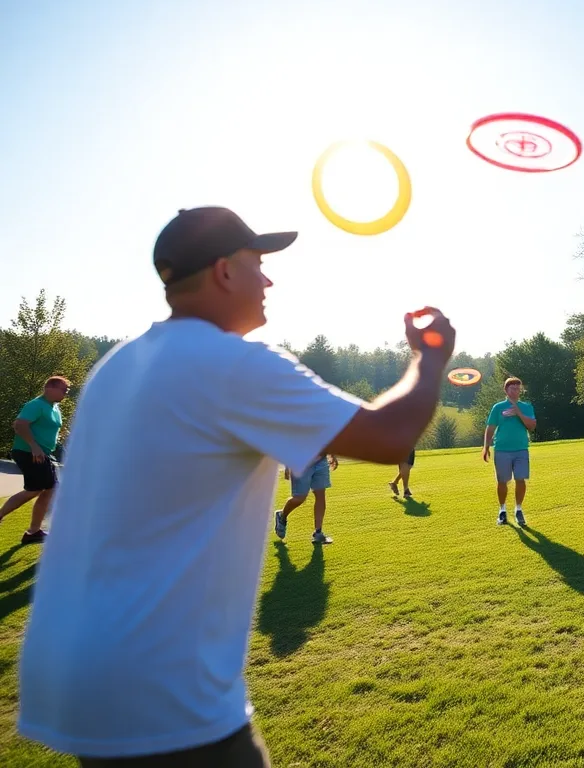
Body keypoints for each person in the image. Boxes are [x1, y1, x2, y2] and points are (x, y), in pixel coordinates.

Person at [17, 206, 455, 766]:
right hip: (158, 683)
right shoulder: (231, 363)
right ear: (224, 270)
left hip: (73, 668)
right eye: (259, 264)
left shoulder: (119, 364)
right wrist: (428, 358)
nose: (268, 281)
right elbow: (391, 436)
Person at [2, 375, 70, 544]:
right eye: (64, 390)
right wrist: (34, 446)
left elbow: (46, 428)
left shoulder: (53, 407)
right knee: (35, 489)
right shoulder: (36, 404)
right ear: (50, 388)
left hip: (43, 453)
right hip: (28, 452)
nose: (66, 393)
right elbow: (19, 425)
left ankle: (34, 531)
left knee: (49, 488)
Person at [483, 376, 536, 526]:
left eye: (518, 389)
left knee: (520, 479)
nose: (516, 391)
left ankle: (518, 510)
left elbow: (532, 426)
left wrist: (518, 412)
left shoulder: (526, 407)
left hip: (521, 449)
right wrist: (486, 447)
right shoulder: (498, 407)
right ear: (506, 390)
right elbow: (490, 428)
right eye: (513, 388)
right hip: (502, 449)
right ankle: (502, 510)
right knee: (502, 481)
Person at [275, 453, 338, 544]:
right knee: (299, 498)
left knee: (320, 495)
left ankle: (318, 533)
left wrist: (333, 454)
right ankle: (282, 515)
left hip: (321, 461)